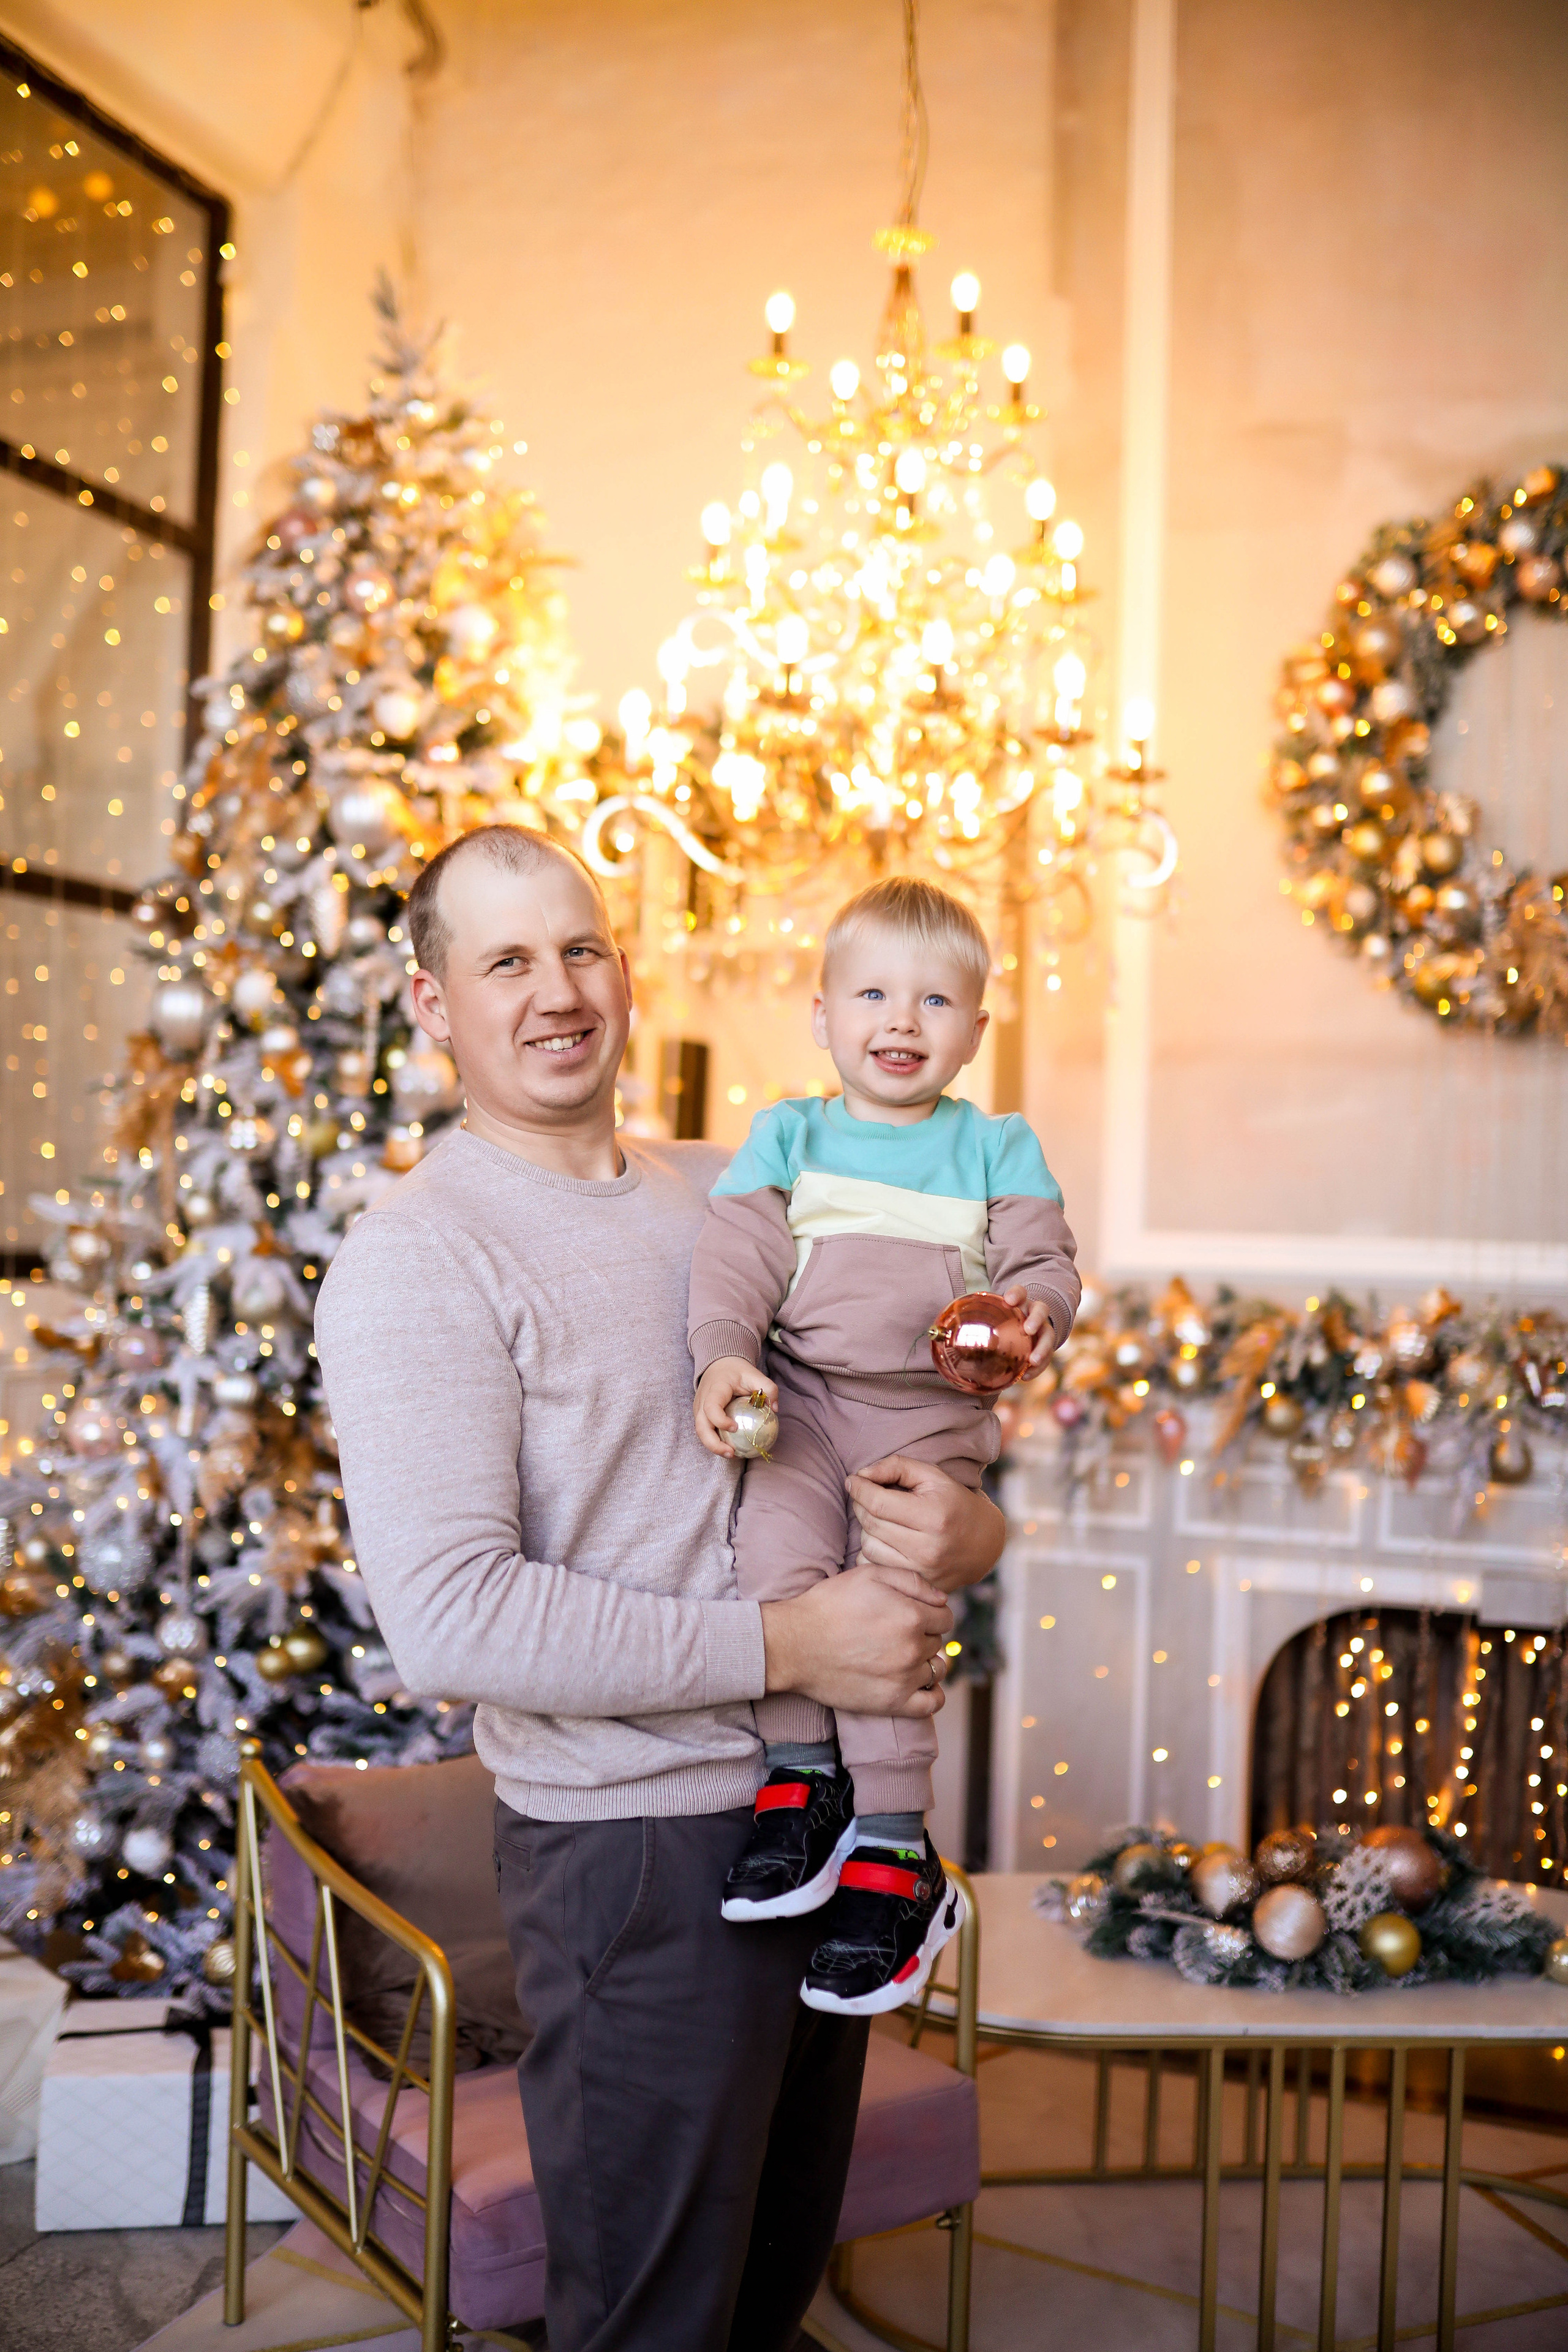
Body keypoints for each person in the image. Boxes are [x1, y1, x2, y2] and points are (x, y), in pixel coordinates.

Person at [313, 825, 1006, 2352]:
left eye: (580, 948)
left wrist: (973, 1532)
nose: (556, 991)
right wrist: (792, 1642)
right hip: (637, 1860)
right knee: (653, 2321)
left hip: (823, 1824)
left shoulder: (733, 1193)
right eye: (505, 961)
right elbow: (452, 1617)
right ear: (431, 1003)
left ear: (622, 971)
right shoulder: (417, 1258)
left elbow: (892, 1416)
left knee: (767, 2289)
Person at [689, 878, 1079, 2014]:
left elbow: (1043, 1261)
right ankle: (802, 1783)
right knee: (775, 1566)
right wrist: (722, 1355)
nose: (902, 1020)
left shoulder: (996, 1146)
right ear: (821, 1016)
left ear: (976, 1031)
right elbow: (735, 1264)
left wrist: (1038, 1307)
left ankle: (899, 1850)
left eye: (935, 1001)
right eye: (871, 995)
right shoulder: (791, 1135)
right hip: (805, 1408)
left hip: (928, 1422)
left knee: (893, 1605)